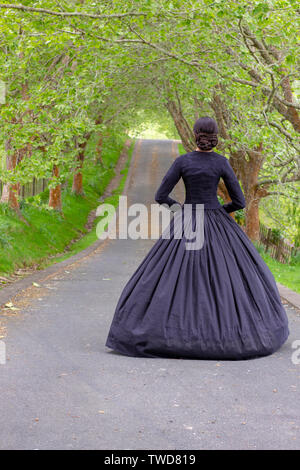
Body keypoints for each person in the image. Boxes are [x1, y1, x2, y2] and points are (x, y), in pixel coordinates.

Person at [105, 116, 289, 359]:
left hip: (187, 220)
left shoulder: (183, 161)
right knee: (229, 276)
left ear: (194, 135)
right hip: (215, 219)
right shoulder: (221, 163)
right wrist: (218, 214)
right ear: (215, 136)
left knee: (170, 276)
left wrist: (182, 213)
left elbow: (161, 196)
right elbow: (239, 202)